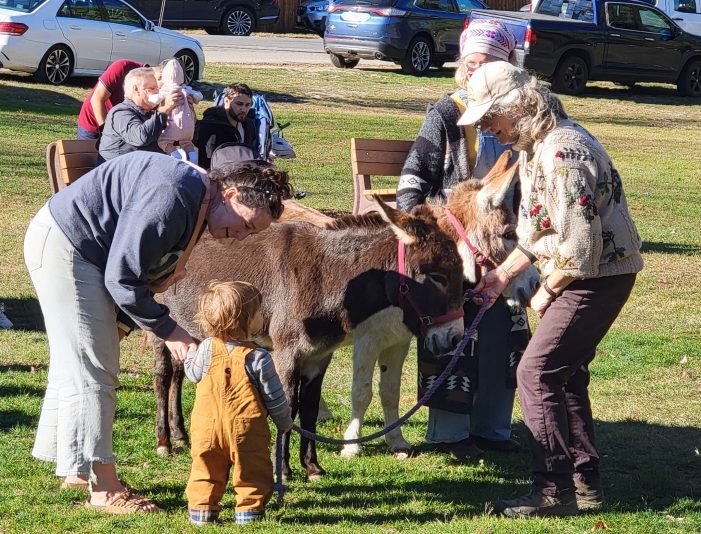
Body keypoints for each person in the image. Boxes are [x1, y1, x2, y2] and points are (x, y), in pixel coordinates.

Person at [24, 151, 291, 513]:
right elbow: (122, 277)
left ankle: (77, 467)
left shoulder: (200, 199)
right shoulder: (176, 193)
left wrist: (122, 323)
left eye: (251, 233)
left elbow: (140, 271)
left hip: (85, 253)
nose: (241, 236)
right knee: (93, 370)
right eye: (245, 223)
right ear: (230, 195)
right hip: (69, 247)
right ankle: (104, 489)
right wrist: (171, 330)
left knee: (82, 361)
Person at [460, 61, 643, 517]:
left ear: (518, 106)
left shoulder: (563, 151)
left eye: (489, 117)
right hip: (587, 272)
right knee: (565, 373)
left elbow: (579, 250)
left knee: (535, 372)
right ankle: (584, 484)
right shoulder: (535, 146)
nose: (486, 128)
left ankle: (552, 491)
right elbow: (539, 231)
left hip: (598, 276)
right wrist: (501, 276)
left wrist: (543, 294)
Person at [397, 20, 528, 461]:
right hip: (456, 245)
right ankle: (450, 432)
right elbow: (412, 184)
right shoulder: (446, 113)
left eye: (488, 64)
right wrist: (437, 235)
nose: (478, 72)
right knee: (455, 318)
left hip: (504, 240)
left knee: (506, 324)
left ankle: (492, 427)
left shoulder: (519, 123)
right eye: (472, 64)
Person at [184, 281, 293, 526]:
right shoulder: (258, 357)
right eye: (257, 313)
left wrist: (190, 353)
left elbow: (192, 374)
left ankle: (202, 513)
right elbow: (274, 398)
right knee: (252, 470)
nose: (261, 317)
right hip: (247, 429)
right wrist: (284, 422)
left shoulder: (206, 348)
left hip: (206, 428)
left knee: (205, 467)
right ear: (246, 320)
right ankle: (248, 514)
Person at [98, 67, 181, 162]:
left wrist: (184, 112)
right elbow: (141, 137)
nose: (157, 92)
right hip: (119, 172)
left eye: (158, 88)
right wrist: (163, 109)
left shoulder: (150, 114)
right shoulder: (120, 113)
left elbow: (177, 138)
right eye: (152, 88)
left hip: (143, 170)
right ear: (136, 89)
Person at [76, 59, 145, 140]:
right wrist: (107, 133)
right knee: (87, 152)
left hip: (119, 131)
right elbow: (97, 99)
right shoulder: (122, 67)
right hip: (93, 124)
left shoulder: (159, 93)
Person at [195, 83, 260, 169]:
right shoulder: (210, 126)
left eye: (247, 105)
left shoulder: (248, 125)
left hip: (243, 176)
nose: (244, 109)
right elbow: (205, 161)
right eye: (239, 104)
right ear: (226, 101)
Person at [156, 58, 204, 163]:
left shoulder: (168, 92)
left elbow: (193, 120)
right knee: (187, 143)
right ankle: (191, 157)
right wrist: (164, 108)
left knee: (164, 141)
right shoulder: (185, 90)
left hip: (174, 136)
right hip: (181, 135)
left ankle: (181, 157)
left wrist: (191, 110)